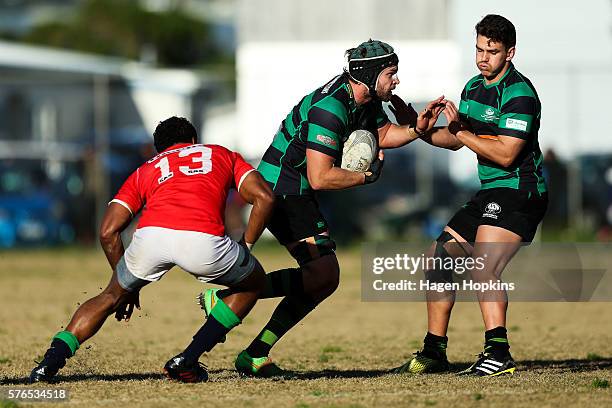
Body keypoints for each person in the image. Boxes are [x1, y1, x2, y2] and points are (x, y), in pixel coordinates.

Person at [198, 39, 446, 377]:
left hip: (295, 189)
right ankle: (241, 315)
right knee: (323, 276)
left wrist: (418, 129)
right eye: (391, 73)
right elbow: (320, 177)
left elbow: (384, 133)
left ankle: (253, 348)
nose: (397, 81)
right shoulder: (331, 109)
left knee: (322, 278)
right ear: (370, 75)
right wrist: (365, 178)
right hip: (280, 189)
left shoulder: (365, 98)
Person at [29, 116, 275, 383]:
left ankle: (48, 364)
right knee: (253, 283)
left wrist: (125, 283)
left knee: (110, 295)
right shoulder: (220, 153)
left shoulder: (146, 169)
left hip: (150, 237)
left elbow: (107, 231)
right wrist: (246, 247)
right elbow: (265, 197)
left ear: (160, 149)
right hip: (202, 239)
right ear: (193, 141)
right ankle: (187, 360)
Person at [394, 14, 548, 376]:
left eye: (492, 52)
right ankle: (434, 351)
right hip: (491, 191)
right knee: (436, 262)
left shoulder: (519, 94)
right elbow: (455, 138)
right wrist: (420, 128)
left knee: (483, 267)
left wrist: (461, 133)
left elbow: (507, 153)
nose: (483, 58)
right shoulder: (473, 88)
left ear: (509, 53)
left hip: (520, 191)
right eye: (479, 49)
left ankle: (498, 353)